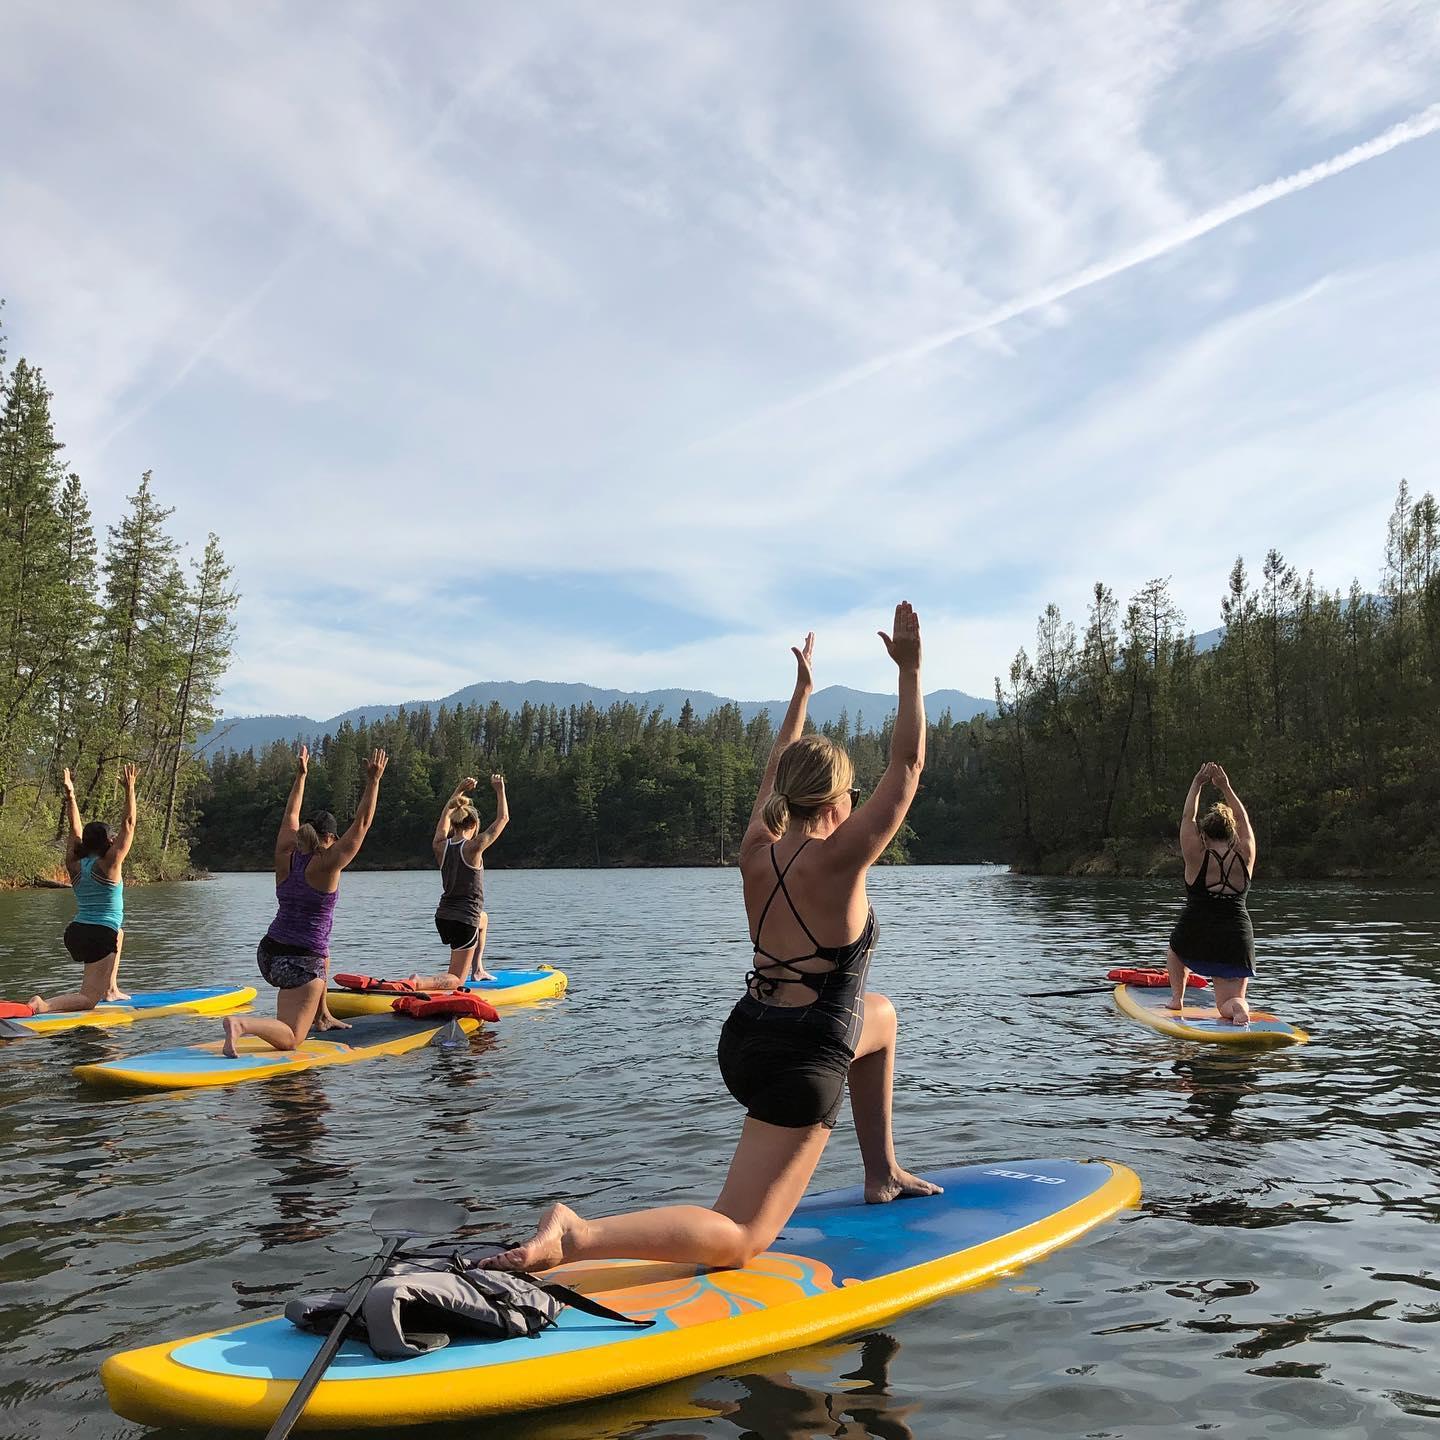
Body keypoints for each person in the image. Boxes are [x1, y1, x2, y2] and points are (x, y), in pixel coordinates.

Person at [482, 604, 940, 1278]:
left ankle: (882, 1172)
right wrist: (911, 673)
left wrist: (804, 692)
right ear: (839, 805)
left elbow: (774, 772)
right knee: (741, 1235)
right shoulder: (840, 860)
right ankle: (577, 1235)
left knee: (882, 1015)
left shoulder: (756, 847)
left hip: (747, 1036)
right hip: (799, 1061)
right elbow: (908, 764)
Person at [221, 745, 388, 1056]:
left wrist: (301, 775)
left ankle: (322, 1015)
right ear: (331, 839)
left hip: (269, 954)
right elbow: (362, 824)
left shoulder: (286, 854)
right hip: (298, 964)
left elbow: (290, 815)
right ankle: (241, 1025)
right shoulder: (326, 865)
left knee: (322, 949)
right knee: (292, 1039)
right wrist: (373, 780)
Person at [28, 765, 138, 1014]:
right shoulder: (109, 865)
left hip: (76, 932)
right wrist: (130, 788)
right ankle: (42, 1005)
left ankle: (111, 989)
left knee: (118, 933)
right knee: (88, 999)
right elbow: (129, 824)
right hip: (97, 935)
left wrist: (71, 797)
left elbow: (74, 829)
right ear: (109, 842)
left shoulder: (74, 863)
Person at [1165, 761, 1257, 1025]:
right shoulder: (1246, 856)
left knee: (1174, 951)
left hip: (1198, 932)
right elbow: (1243, 818)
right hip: (1236, 937)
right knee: (1226, 1003)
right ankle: (1239, 1009)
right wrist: (1225, 787)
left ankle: (1176, 999)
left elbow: (1187, 819)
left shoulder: (1196, 856)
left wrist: (1197, 783)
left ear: (1203, 835)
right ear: (1232, 835)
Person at [404, 774, 509, 990]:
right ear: (473, 824)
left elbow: (446, 814)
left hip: (444, 916)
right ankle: (419, 982)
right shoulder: (473, 847)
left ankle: (477, 968)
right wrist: (500, 790)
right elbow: (503, 819)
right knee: (457, 979)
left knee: (484, 918)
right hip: (463, 920)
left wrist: (458, 790)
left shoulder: (440, 845)